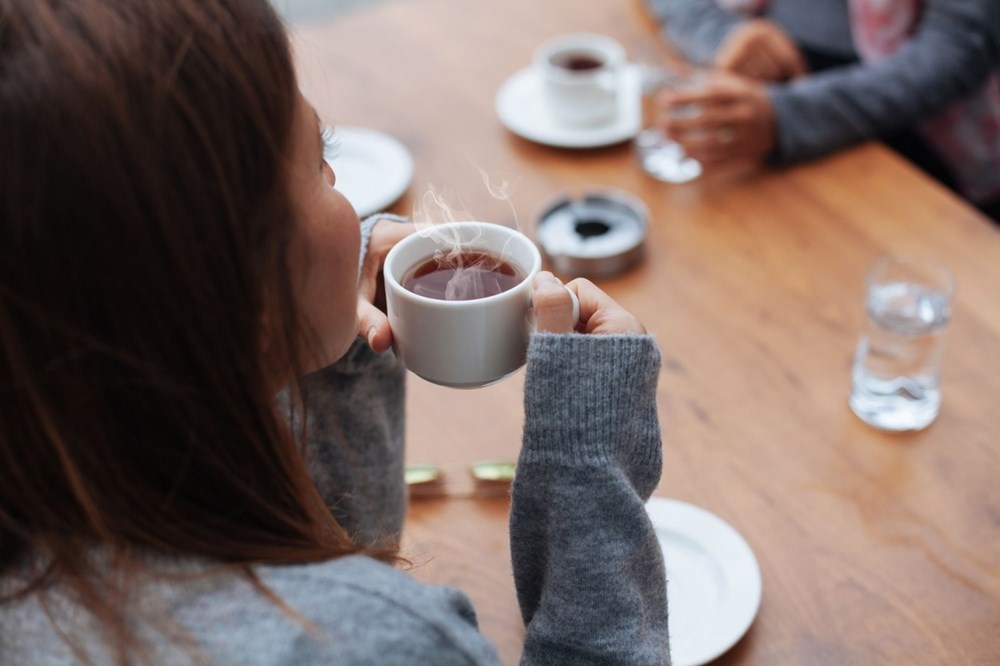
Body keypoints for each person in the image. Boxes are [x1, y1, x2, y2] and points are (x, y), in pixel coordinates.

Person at [0, 0, 670, 663]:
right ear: (251, 292)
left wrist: (320, 354)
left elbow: (339, 567)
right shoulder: (377, 642)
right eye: (320, 162)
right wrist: (586, 458)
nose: (343, 187)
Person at [644, 0, 1000, 222]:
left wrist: (787, 118)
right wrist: (723, 36)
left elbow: (959, 48)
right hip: (764, 92)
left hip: (916, 137)